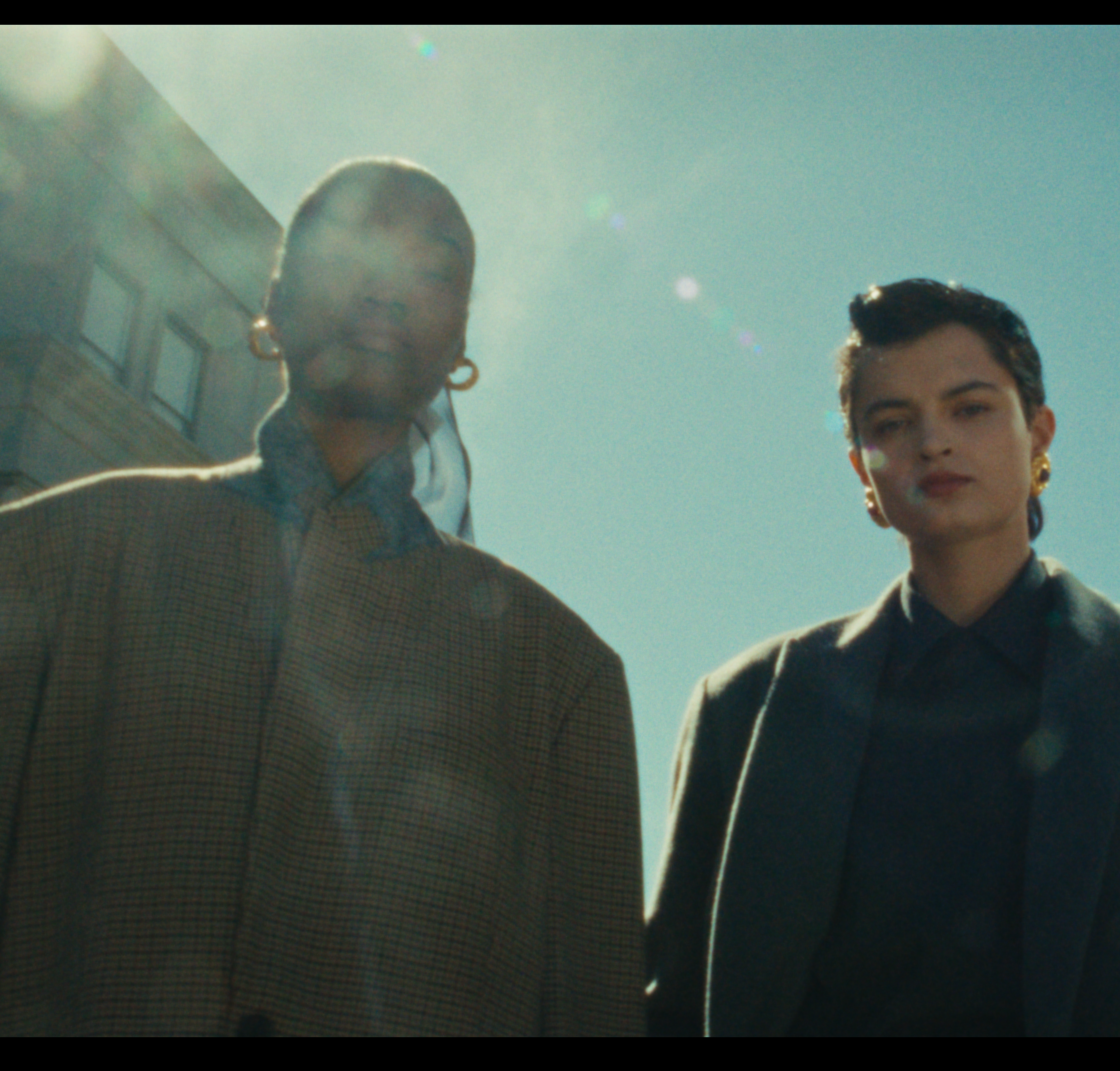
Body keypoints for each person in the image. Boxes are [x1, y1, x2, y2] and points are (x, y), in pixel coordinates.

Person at [0, 158, 644, 1035]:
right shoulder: (53, 558)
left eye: (432, 269)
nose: (385, 289)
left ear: (462, 342)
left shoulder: (561, 679)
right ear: (271, 300)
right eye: (350, 249)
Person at [647, 278, 1120, 1036]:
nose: (933, 441)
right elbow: (677, 1007)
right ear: (862, 474)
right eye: (893, 421)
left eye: (969, 408)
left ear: (1038, 435)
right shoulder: (741, 711)